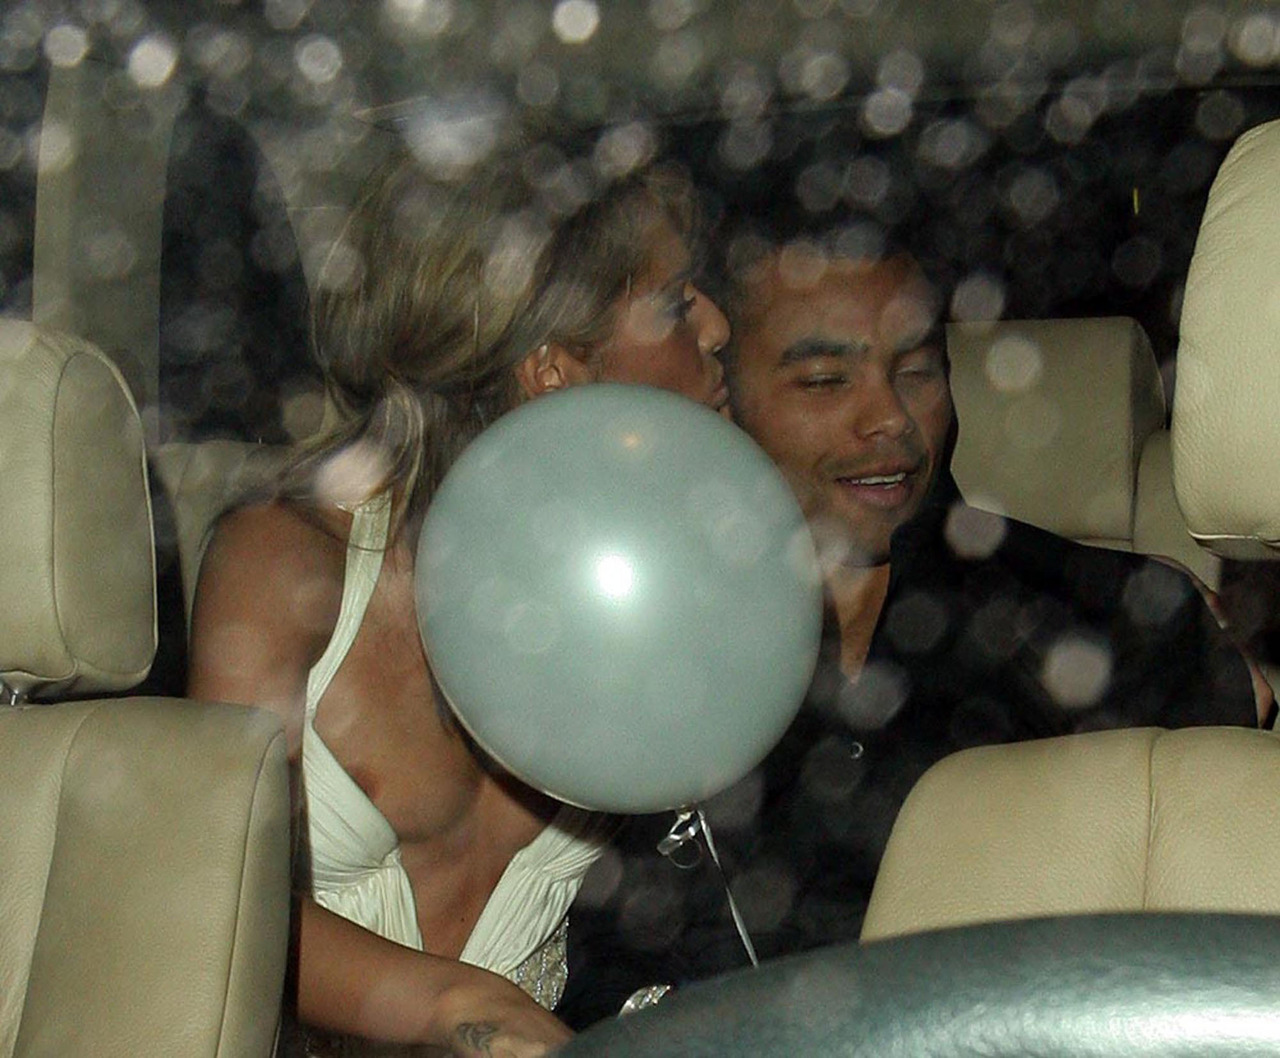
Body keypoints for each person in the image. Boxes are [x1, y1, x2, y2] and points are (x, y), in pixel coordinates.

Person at [557, 234, 1267, 1029]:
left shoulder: (1101, 624)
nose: (891, 419)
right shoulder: (626, 629)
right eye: (825, 381)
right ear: (724, 396)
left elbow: (1203, 976)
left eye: (918, 371)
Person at [186, 136, 730, 1057]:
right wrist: (463, 1005)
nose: (716, 328)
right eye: (676, 304)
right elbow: (212, 906)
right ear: (553, 370)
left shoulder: (673, 570)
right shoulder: (286, 564)